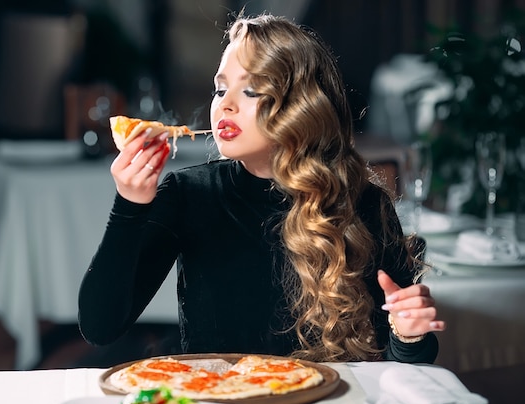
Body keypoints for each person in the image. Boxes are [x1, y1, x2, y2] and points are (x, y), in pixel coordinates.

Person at [78, 13, 445, 363]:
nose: (226, 105)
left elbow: (406, 360)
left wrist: (408, 335)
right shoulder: (187, 194)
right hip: (222, 401)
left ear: (301, 106)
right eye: (220, 89)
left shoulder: (364, 204)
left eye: (251, 90)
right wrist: (129, 206)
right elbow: (100, 327)